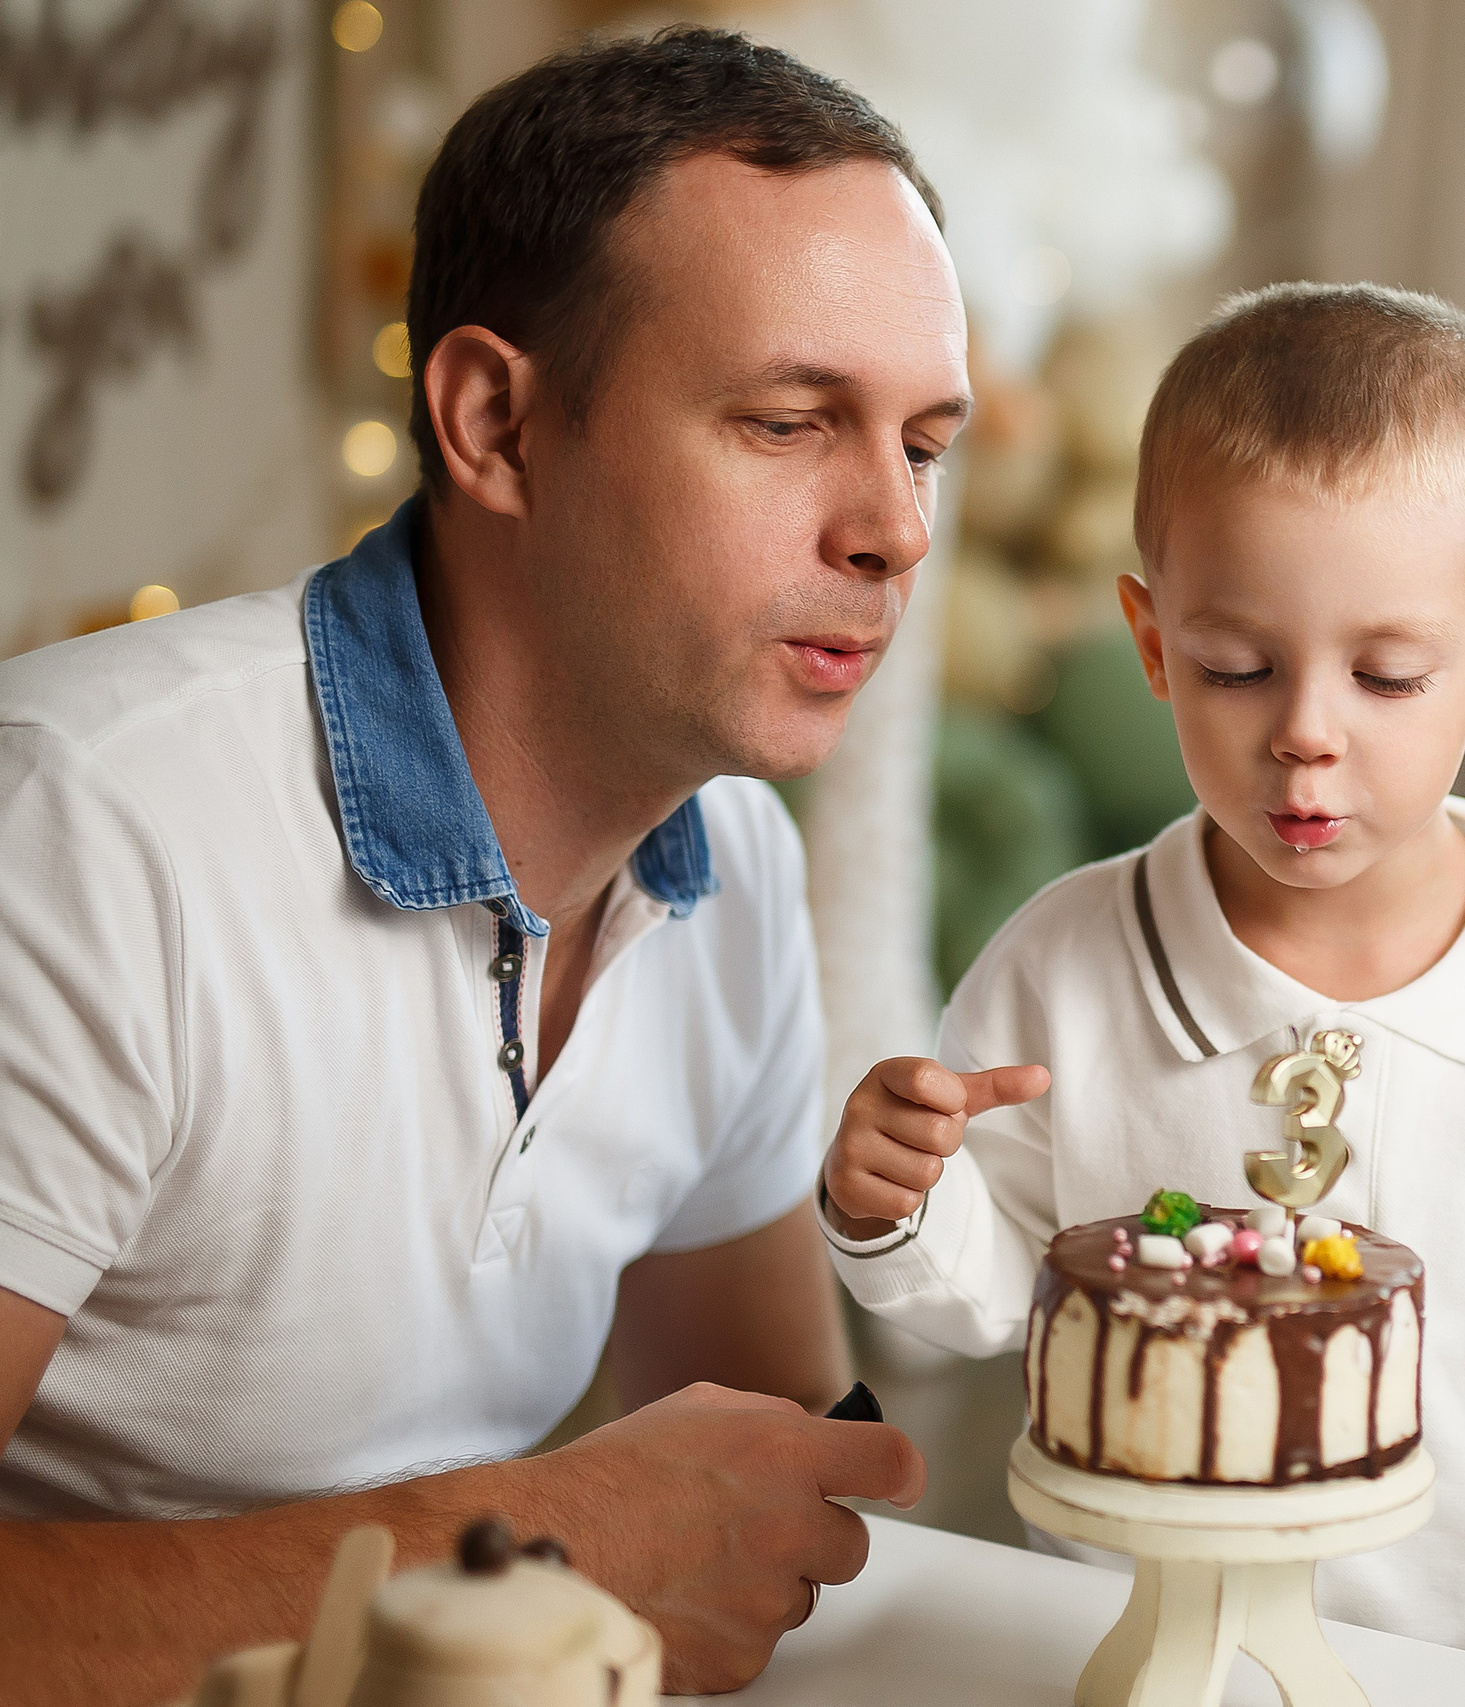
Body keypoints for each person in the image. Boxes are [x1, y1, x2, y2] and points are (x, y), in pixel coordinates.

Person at [0, 30, 966, 1701]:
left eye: (924, 442)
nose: (894, 528)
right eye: (788, 420)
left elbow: (771, 1480)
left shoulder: (728, 851)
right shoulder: (83, 830)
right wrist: (523, 1544)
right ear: (495, 423)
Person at [820, 283, 1465, 1700]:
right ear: (1151, 643)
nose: (1305, 737)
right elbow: (974, 1307)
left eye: (1389, 676)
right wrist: (891, 1202)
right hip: (1122, 1660)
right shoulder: (1064, 965)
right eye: (1237, 668)